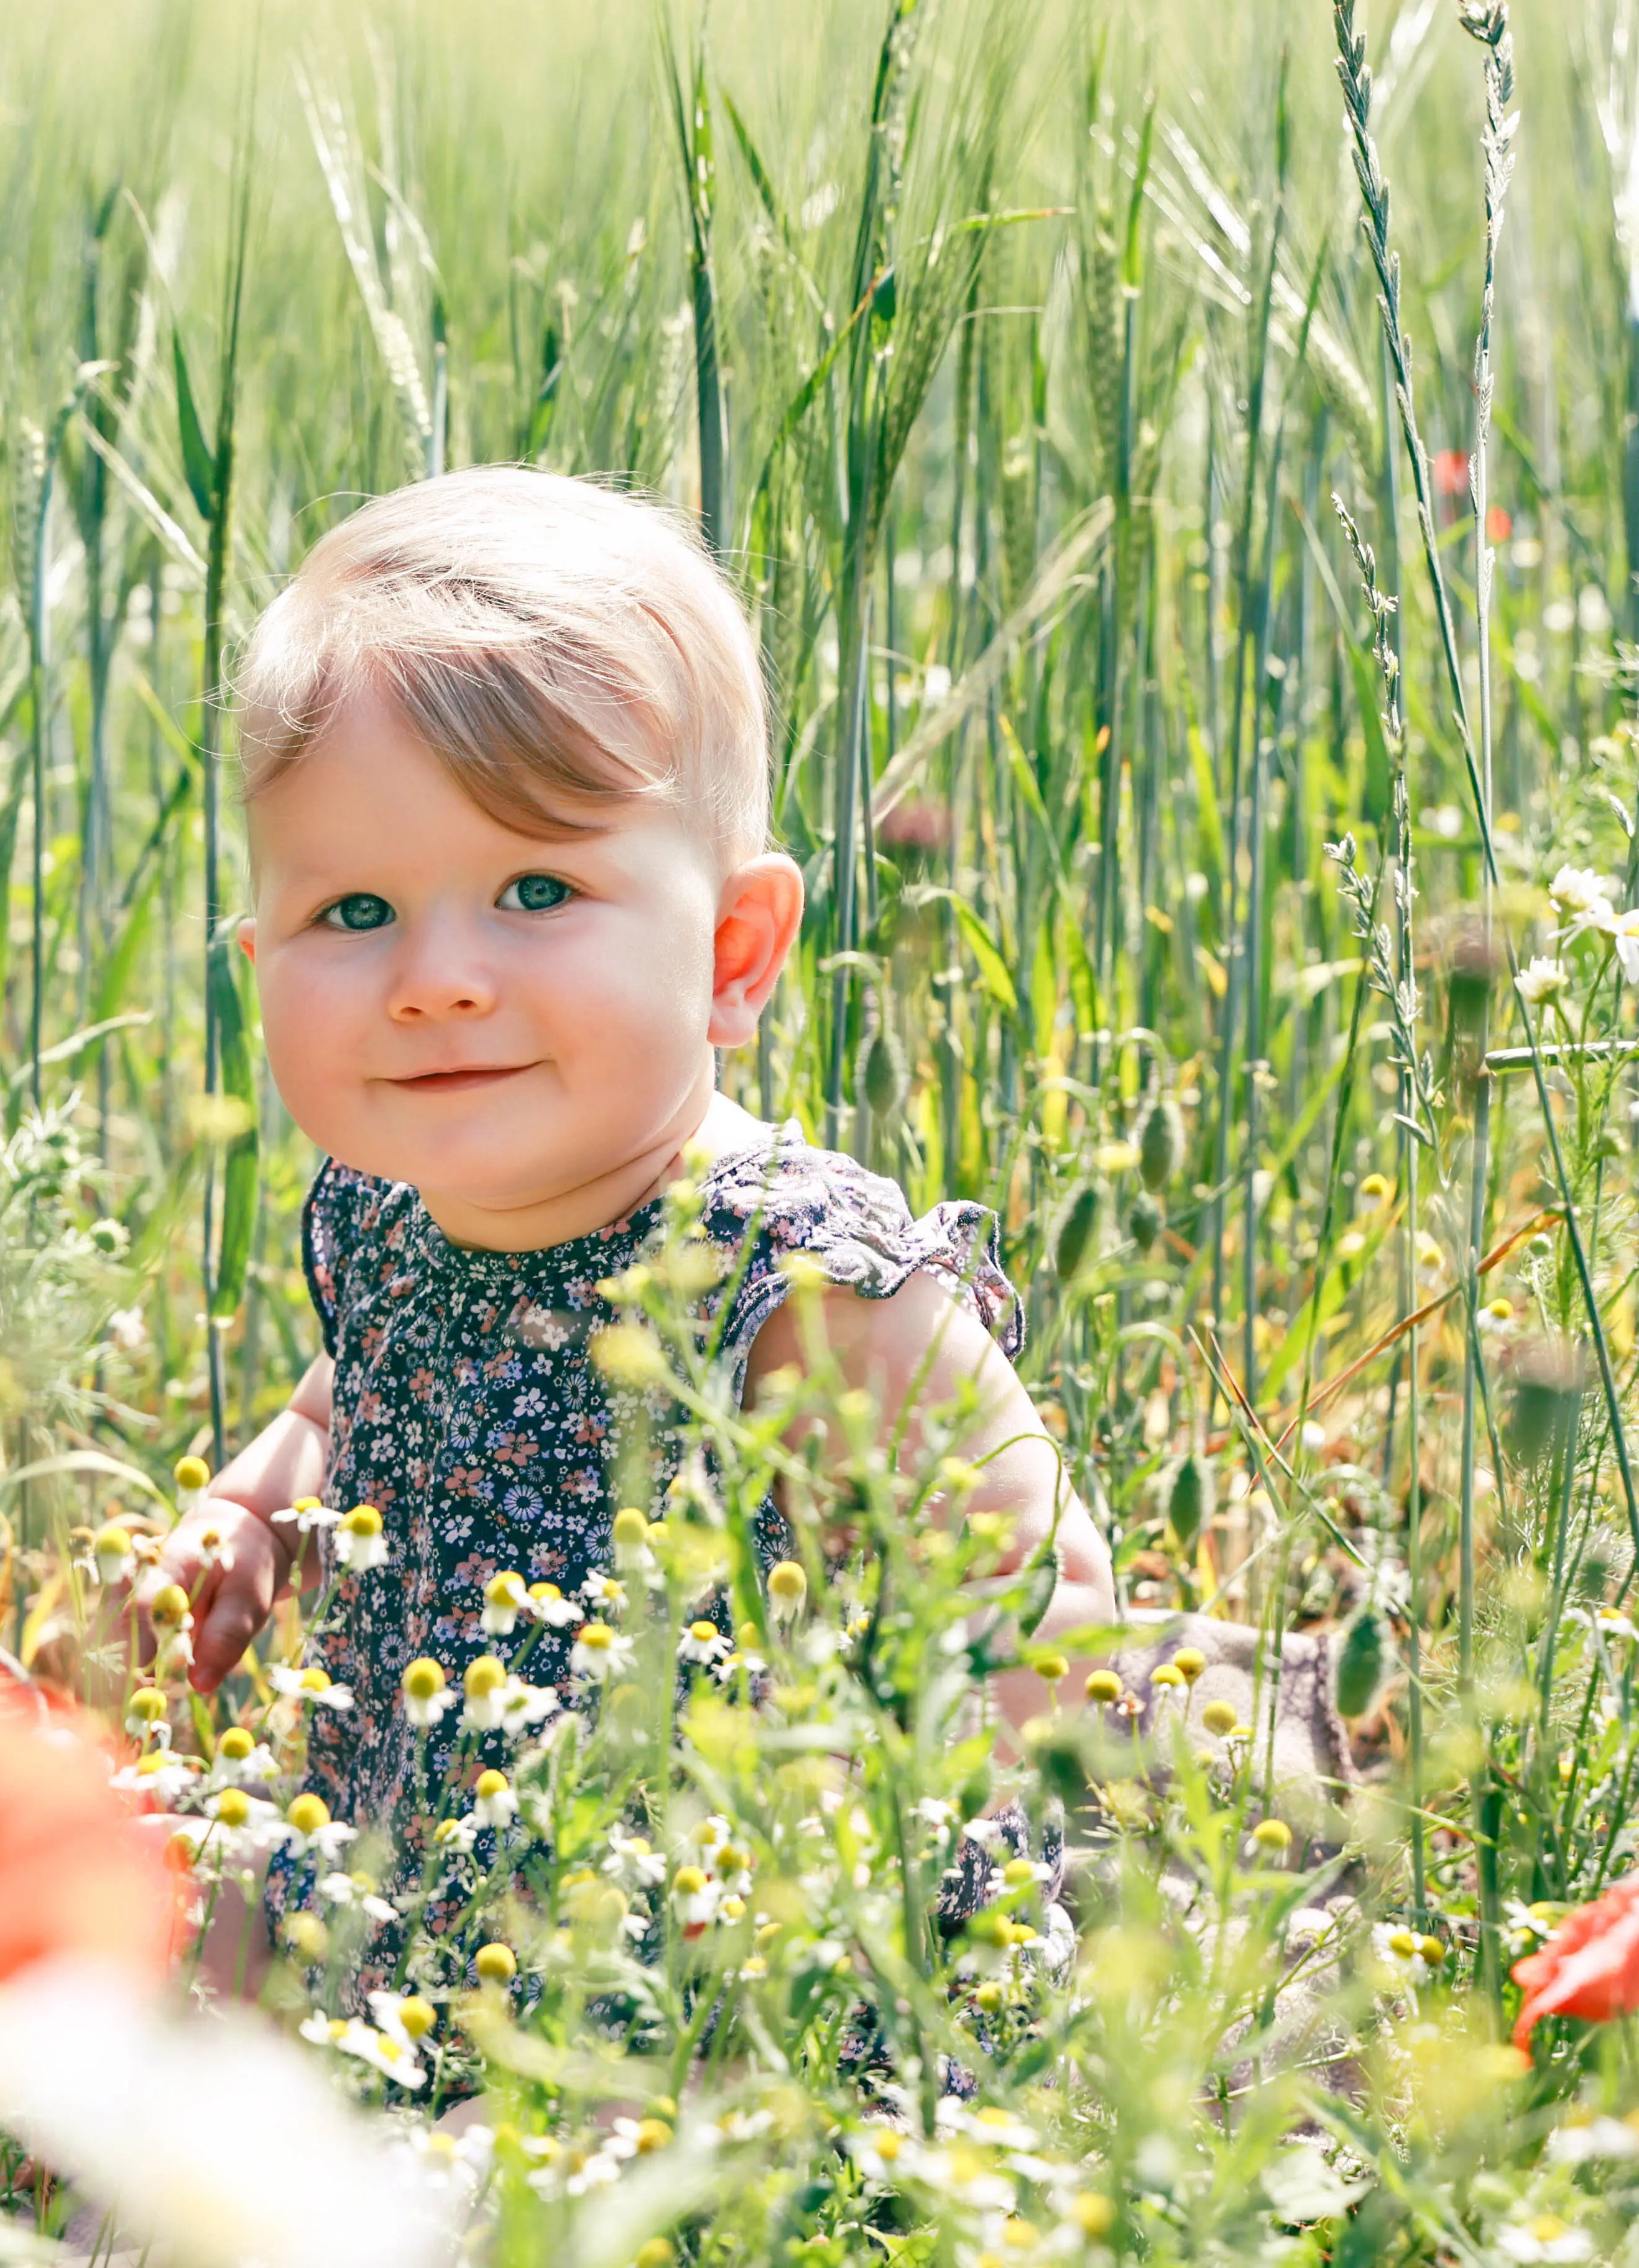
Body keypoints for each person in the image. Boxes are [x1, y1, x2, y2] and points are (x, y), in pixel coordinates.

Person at [159, 463, 1119, 1963]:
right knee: (142, 1961)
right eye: (354, 915)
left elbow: (1036, 1574)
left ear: (734, 953)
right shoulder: (390, 1215)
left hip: (731, 1950)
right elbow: (351, 1401)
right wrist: (253, 1510)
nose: (437, 977)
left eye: (535, 892)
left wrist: (909, 1861)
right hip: (424, 1871)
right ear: (252, 954)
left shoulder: (798, 1285)